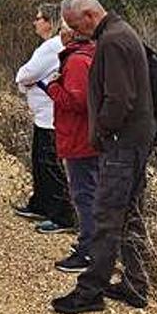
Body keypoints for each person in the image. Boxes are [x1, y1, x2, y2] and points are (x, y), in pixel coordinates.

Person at [51, 0, 156, 314]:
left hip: (122, 143)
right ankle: (135, 285)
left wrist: (100, 133)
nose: (77, 33)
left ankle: (90, 291)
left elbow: (119, 99)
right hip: (136, 140)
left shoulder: (111, 41)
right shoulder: (122, 32)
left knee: (106, 214)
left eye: (75, 26)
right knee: (130, 215)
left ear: (88, 15)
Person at [12, 3, 72, 231]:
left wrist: (26, 81)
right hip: (44, 115)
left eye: (38, 18)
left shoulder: (51, 47)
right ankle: (41, 204)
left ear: (48, 21)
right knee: (40, 162)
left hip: (50, 117)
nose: (35, 22)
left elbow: (26, 73)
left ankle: (61, 215)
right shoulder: (53, 46)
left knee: (49, 165)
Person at [45, 27, 99, 260]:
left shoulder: (77, 61)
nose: (61, 34)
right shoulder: (93, 53)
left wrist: (53, 87)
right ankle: (95, 247)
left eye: (64, 28)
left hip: (79, 138)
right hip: (89, 137)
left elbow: (77, 101)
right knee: (91, 191)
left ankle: (88, 249)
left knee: (84, 193)